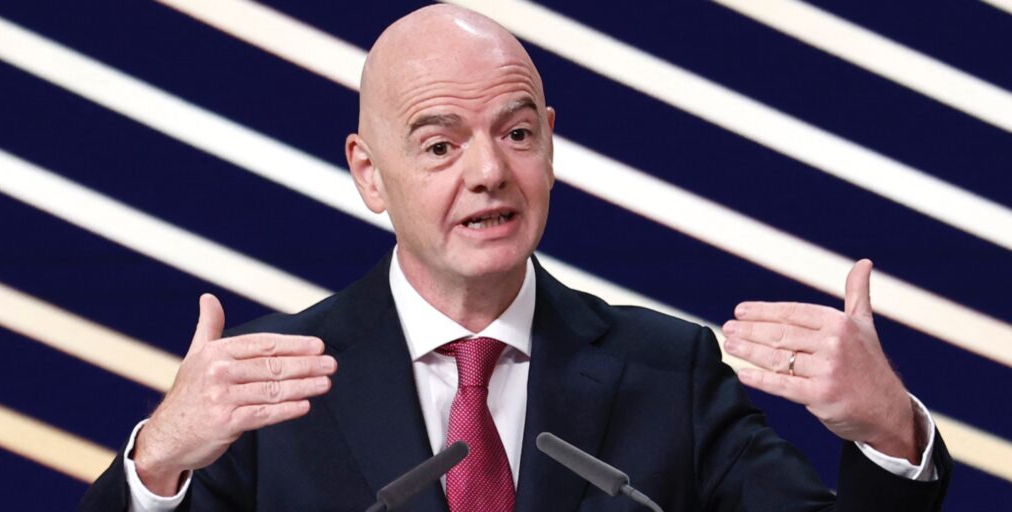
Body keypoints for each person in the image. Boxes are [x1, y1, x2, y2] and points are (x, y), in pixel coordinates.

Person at [79, 5, 950, 511]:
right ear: (369, 174)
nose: (490, 172)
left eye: (518, 133)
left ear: (550, 146)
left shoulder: (670, 372)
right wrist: (158, 464)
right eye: (440, 145)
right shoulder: (272, 387)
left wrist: (888, 433)